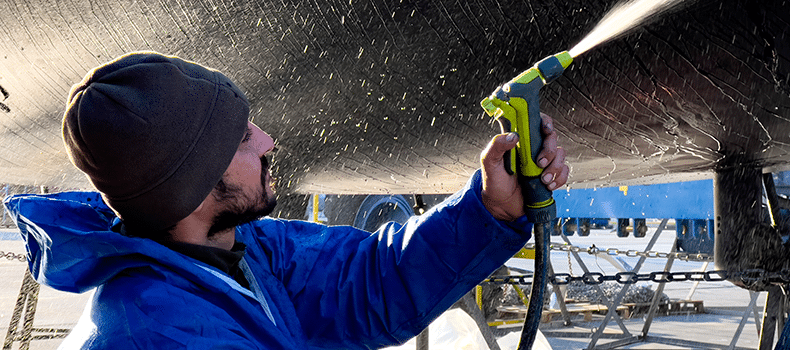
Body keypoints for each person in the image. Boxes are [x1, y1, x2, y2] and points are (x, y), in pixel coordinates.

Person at [4, 52, 568, 349]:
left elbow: (374, 282)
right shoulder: (157, 333)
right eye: (243, 137)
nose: (269, 142)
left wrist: (492, 210)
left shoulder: (243, 251)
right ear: (194, 184)